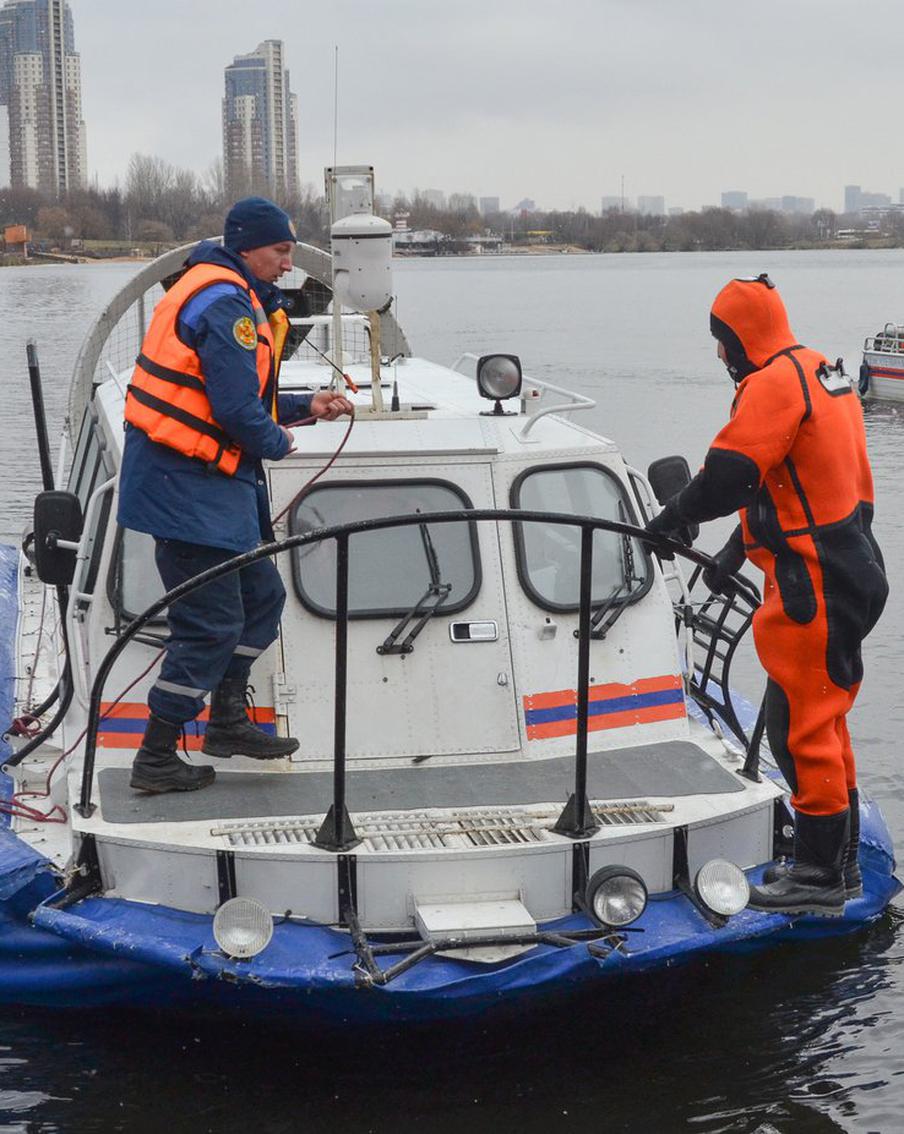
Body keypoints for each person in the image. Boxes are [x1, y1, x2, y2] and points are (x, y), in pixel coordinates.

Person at [645, 273, 887, 917]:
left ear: (736, 339)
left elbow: (731, 475)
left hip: (813, 583)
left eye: (721, 341)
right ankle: (839, 863)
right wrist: (734, 552)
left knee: (798, 727)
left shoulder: (770, 385)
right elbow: (788, 480)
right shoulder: (819, 371)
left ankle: (815, 876)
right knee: (825, 717)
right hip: (853, 566)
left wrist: (673, 517)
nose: (720, 354)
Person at [118, 197, 354, 794]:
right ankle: (156, 756)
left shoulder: (226, 290)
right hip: (186, 492)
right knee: (210, 623)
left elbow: (225, 398)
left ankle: (224, 722)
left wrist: (306, 407)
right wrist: (278, 441)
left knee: (261, 600)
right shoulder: (227, 304)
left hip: (210, 488)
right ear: (247, 246)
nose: (287, 263)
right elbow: (234, 411)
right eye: (280, 251)